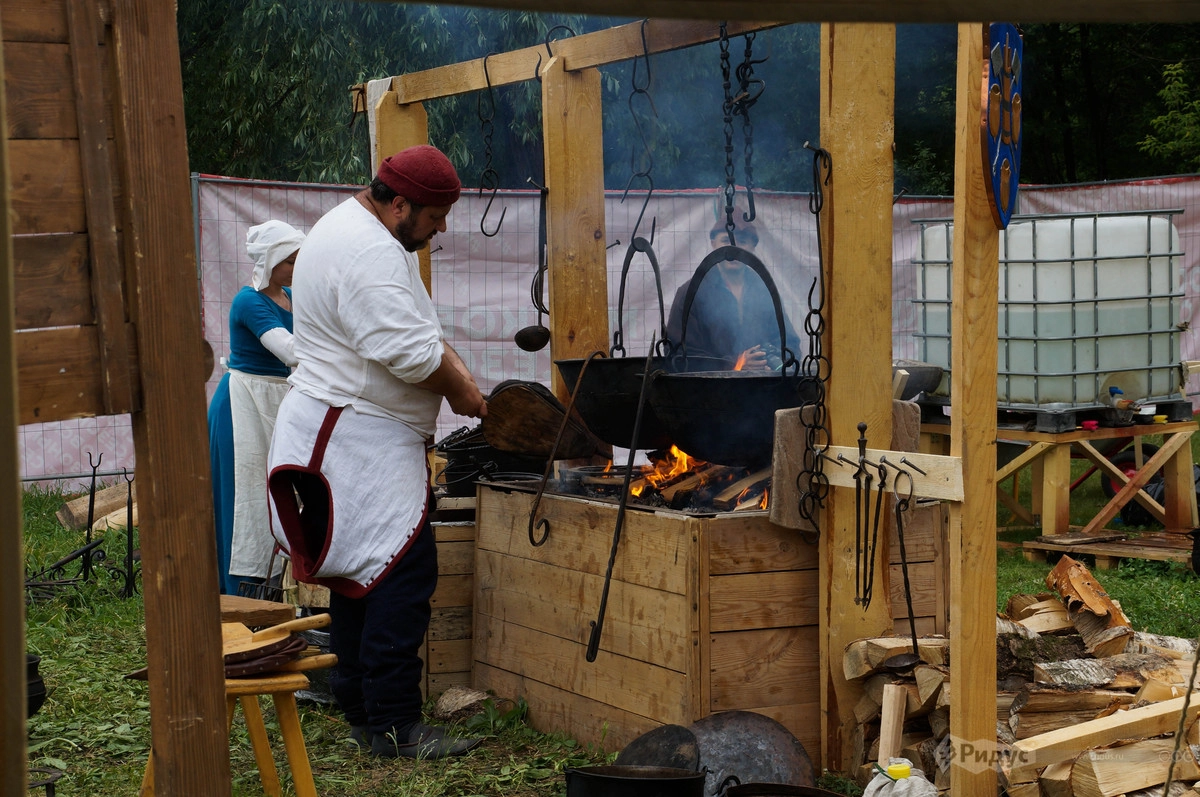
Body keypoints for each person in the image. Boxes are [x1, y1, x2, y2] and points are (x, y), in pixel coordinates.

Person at [266, 145, 487, 760]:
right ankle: (395, 725)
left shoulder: (347, 226)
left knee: (360, 575)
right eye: (435, 217)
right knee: (399, 573)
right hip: (358, 437)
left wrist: (458, 369)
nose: (441, 229)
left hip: (342, 428)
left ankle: (363, 711)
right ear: (399, 204)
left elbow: (419, 333)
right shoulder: (369, 251)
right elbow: (409, 354)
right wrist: (462, 392)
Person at [208, 220, 305, 596]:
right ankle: (239, 592)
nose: (297, 267)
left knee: (276, 494)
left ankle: (276, 585)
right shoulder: (248, 301)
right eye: (290, 261)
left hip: (276, 401)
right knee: (245, 498)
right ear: (269, 261)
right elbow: (290, 350)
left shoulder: (292, 297)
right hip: (243, 405)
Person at [666, 218, 800, 370]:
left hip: (763, 383)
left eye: (742, 241)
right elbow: (680, 354)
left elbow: (790, 343)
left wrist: (774, 363)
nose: (734, 249)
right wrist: (736, 364)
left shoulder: (766, 292)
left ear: (753, 247)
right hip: (710, 384)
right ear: (713, 244)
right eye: (725, 240)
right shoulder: (691, 293)